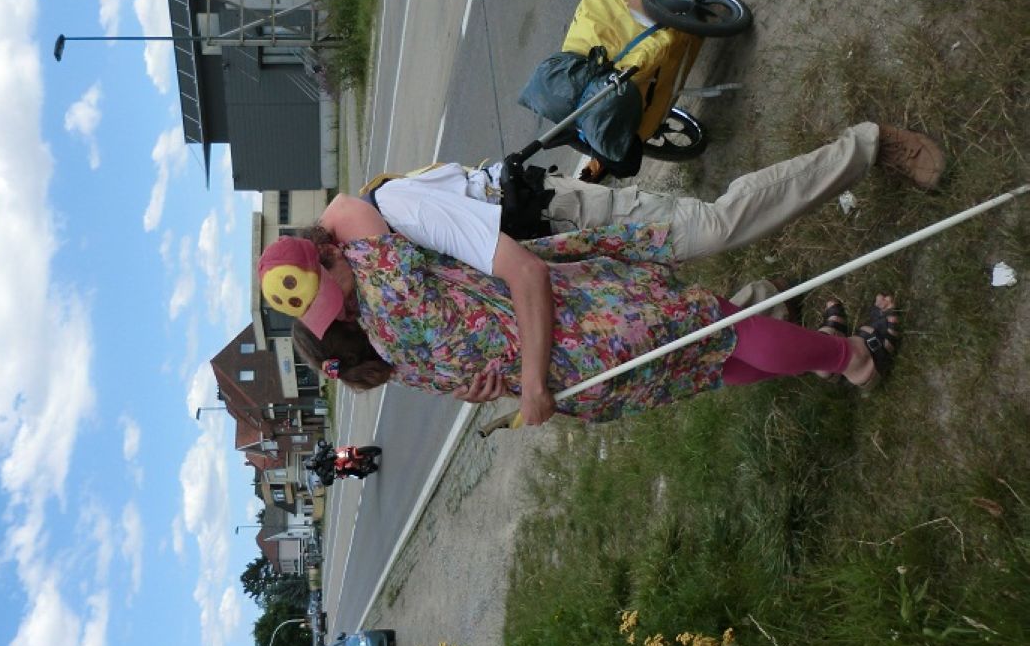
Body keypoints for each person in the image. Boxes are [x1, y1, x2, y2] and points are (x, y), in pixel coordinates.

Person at [317, 122, 939, 402]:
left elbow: (513, 271)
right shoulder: (385, 296)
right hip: (565, 284)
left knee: (716, 230)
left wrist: (521, 383)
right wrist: (493, 383)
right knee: (705, 342)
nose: (357, 299)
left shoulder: (392, 210)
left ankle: (871, 147)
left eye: (342, 291)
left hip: (568, 224)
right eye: (348, 311)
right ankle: (815, 348)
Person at [258, 218, 902, 427]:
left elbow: (478, 381)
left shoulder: (400, 359)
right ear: (334, 251)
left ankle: (821, 355)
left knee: (706, 366)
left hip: (586, 387)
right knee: (722, 326)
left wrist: (512, 389)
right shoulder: (390, 284)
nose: (342, 297)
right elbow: (348, 206)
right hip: (588, 325)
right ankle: (852, 357)